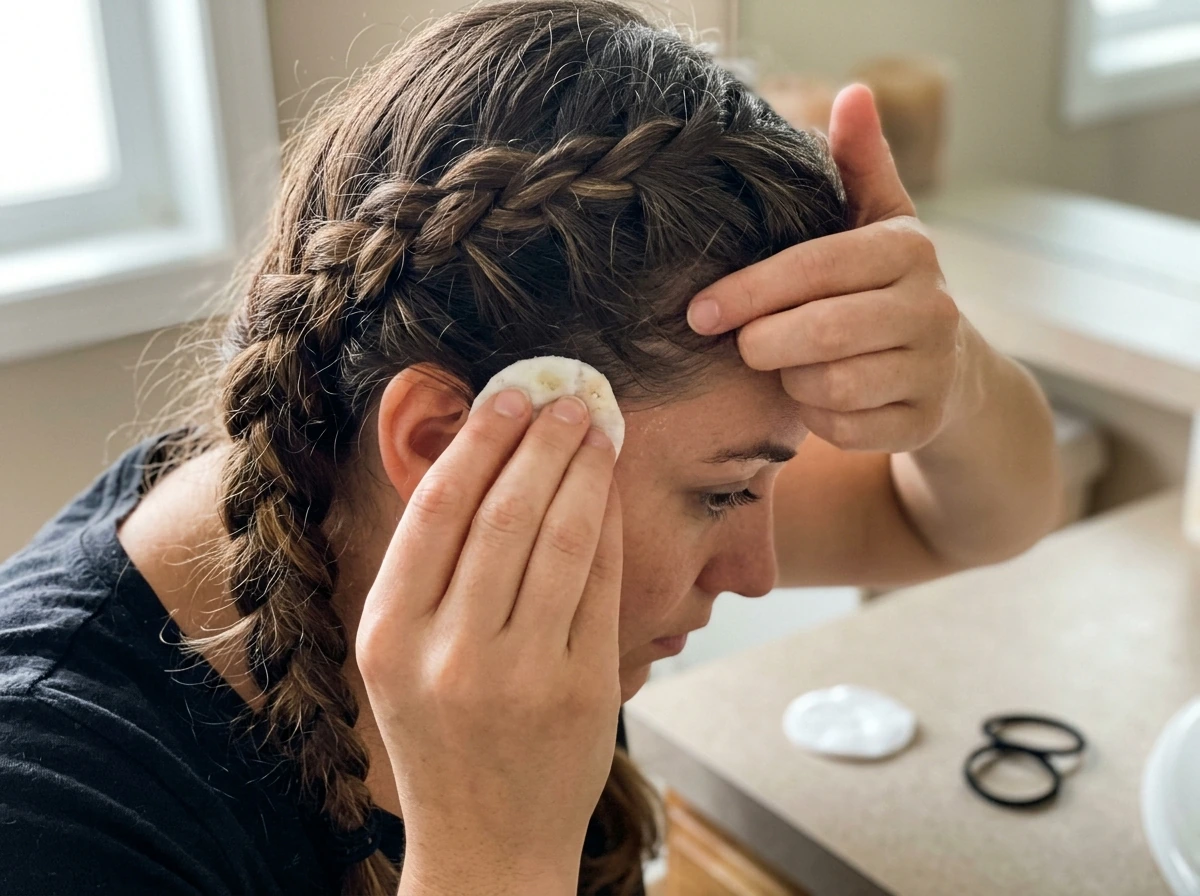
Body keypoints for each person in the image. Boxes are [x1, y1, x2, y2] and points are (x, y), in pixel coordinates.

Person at [0, 2, 1060, 895]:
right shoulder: (52, 812)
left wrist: (951, 374)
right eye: (724, 494)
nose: (758, 572)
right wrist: (492, 851)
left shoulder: (337, 459)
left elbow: (961, 519)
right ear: (446, 443)